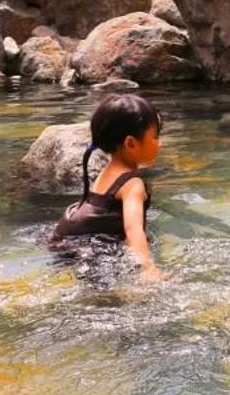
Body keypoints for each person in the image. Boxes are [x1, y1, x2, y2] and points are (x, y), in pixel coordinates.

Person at [49, 94, 164, 281]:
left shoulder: (107, 172)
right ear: (130, 144)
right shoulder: (133, 184)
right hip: (90, 247)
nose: (160, 144)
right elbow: (133, 230)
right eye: (155, 136)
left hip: (66, 238)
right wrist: (147, 268)